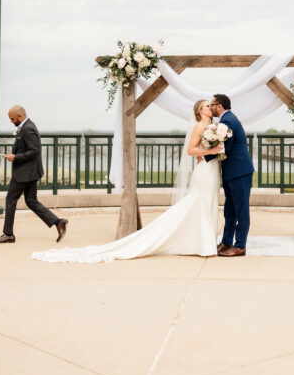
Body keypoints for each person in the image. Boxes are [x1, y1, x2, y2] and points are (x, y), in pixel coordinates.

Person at [31, 100, 224, 263]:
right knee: (199, 203)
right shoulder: (199, 127)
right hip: (204, 172)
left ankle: (203, 241)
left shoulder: (212, 128)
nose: (210, 108)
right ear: (200, 111)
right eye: (207, 106)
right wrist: (211, 151)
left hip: (212, 169)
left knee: (207, 204)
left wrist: (216, 150)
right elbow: (191, 151)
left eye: (210, 106)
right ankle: (203, 244)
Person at [0, 105, 68, 244]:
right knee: (31, 201)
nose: (11, 121)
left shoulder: (28, 129)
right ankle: (58, 222)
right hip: (30, 171)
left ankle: (8, 234)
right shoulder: (27, 127)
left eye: (12, 119)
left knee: (11, 200)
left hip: (25, 172)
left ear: (20, 116)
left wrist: (15, 157)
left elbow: (35, 151)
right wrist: (15, 156)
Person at [206, 94, 254, 257]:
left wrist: (202, 155)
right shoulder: (226, 120)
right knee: (230, 210)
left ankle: (240, 246)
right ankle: (227, 242)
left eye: (212, 104)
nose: (210, 107)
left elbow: (223, 147)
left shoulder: (228, 121)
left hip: (239, 172)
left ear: (219, 106)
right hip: (232, 172)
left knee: (241, 210)